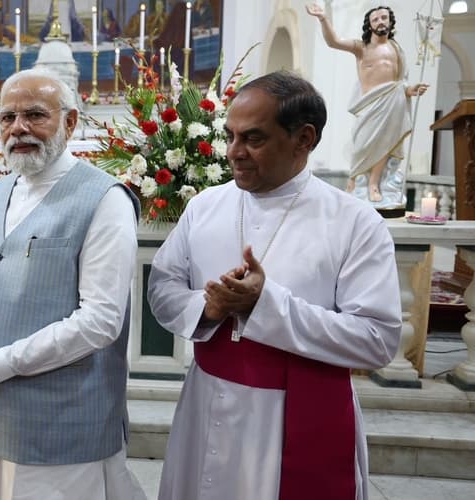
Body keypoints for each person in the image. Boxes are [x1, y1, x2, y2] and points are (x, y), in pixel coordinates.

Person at [147, 71, 402, 500]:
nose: (233, 153)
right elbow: (162, 286)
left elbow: (377, 340)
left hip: (294, 414)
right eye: (229, 136)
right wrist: (209, 309)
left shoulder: (355, 223)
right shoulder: (207, 205)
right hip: (206, 401)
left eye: (253, 139)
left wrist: (264, 305)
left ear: (304, 139)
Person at [0, 68, 146, 500]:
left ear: (70, 122)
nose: (18, 128)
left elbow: (100, 322)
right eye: (7, 117)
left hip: (61, 420)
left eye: (34, 115)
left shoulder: (106, 200)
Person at [307, 4, 428, 204]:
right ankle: (354, 182)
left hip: (392, 102)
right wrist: (323, 19)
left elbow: (400, 81)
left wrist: (410, 89)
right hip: (370, 105)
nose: (381, 22)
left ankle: (373, 183)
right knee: (363, 145)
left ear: (390, 21)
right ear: (369, 25)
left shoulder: (397, 49)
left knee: (384, 144)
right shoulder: (361, 47)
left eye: (384, 18)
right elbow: (333, 41)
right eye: (376, 19)